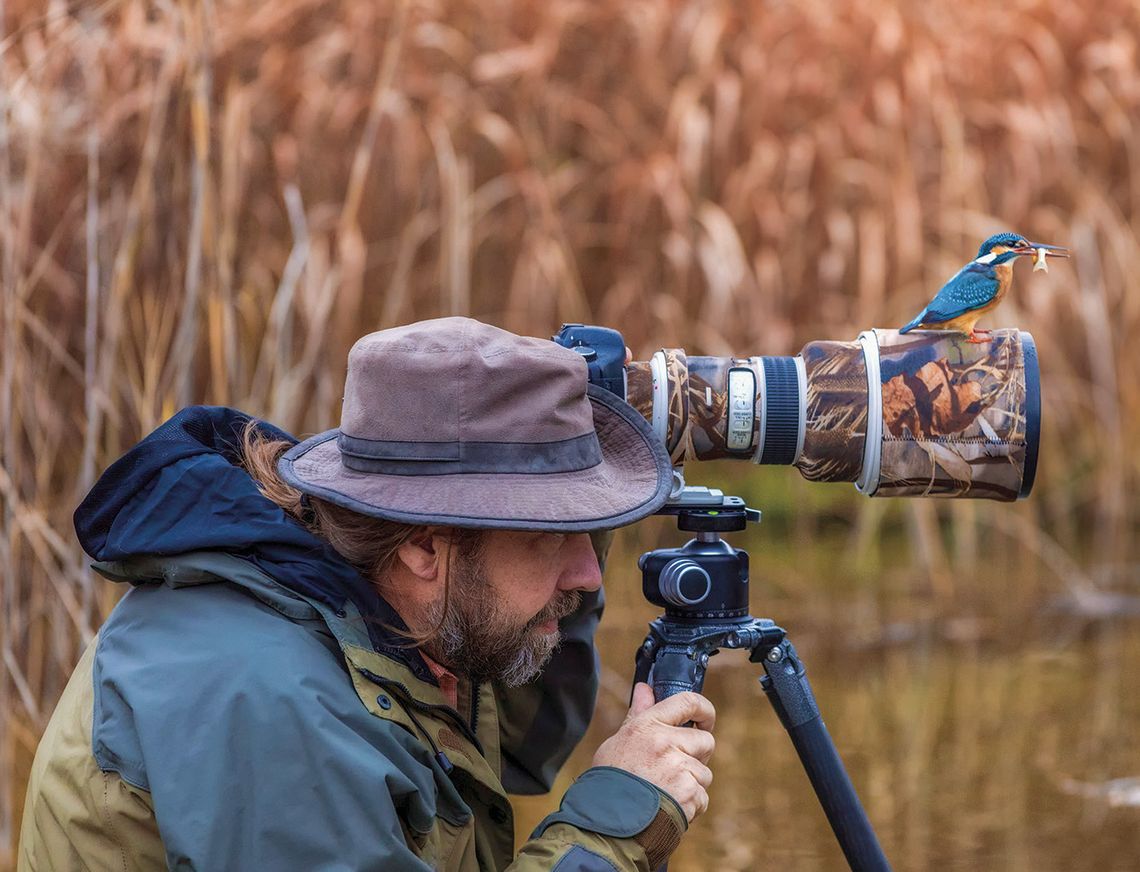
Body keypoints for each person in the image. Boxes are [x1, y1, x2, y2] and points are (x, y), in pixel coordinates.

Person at [18, 317, 717, 871]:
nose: (590, 576)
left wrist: (580, 459)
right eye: (546, 537)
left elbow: (520, 752)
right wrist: (615, 825)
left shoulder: (399, 613)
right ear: (422, 545)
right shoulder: (270, 699)